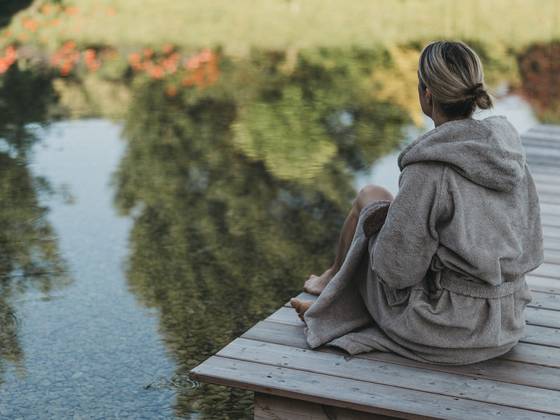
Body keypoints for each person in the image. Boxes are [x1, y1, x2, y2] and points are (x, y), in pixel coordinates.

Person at [290, 40, 545, 365]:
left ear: (427, 95)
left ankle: (330, 296)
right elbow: (532, 247)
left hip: (448, 330)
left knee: (370, 202)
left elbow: (396, 273)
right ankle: (330, 287)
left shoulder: (429, 169)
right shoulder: (509, 155)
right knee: (381, 206)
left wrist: (381, 226)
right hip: (505, 323)